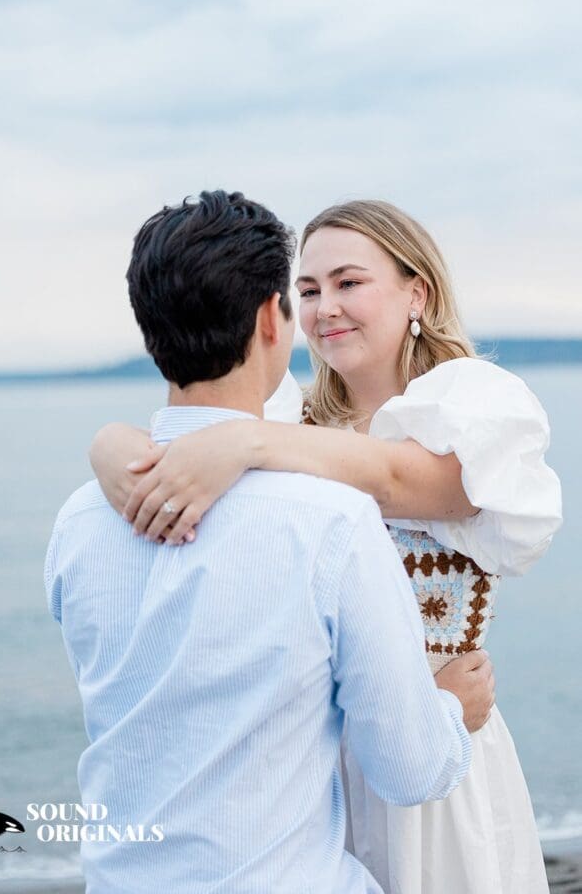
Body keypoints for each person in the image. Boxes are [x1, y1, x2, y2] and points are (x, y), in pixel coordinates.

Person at [91, 198, 562, 894]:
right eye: (306, 290)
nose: (323, 308)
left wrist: (245, 442)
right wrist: (108, 446)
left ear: (416, 291)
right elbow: (175, 449)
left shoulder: (472, 404)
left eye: (348, 282)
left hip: (438, 745)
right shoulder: (288, 416)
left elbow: (403, 479)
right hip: (306, 768)